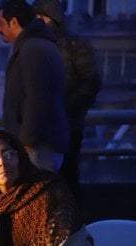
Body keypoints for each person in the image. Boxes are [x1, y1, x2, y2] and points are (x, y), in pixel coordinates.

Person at [32, 0, 101, 204]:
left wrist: (64, 109)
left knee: (62, 181)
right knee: (58, 183)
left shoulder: (68, 46)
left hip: (63, 126)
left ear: (45, 18)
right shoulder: (67, 45)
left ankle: (69, 227)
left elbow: (91, 82)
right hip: (57, 126)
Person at [0, 0, 69, 172]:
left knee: (36, 195)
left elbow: (37, 99)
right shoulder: (38, 46)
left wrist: (26, 142)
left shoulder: (32, 50)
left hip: (37, 148)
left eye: (0, 23)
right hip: (40, 144)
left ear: (14, 22)